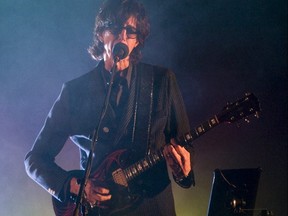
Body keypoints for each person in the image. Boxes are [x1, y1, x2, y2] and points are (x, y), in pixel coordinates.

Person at [24, 0, 195, 215]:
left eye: (130, 31)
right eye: (115, 27)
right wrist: (79, 187)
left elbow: (184, 148)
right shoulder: (74, 91)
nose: (122, 36)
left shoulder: (161, 81)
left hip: (153, 208)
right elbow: (35, 160)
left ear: (137, 41)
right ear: (100, 34)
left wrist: (183, 171)